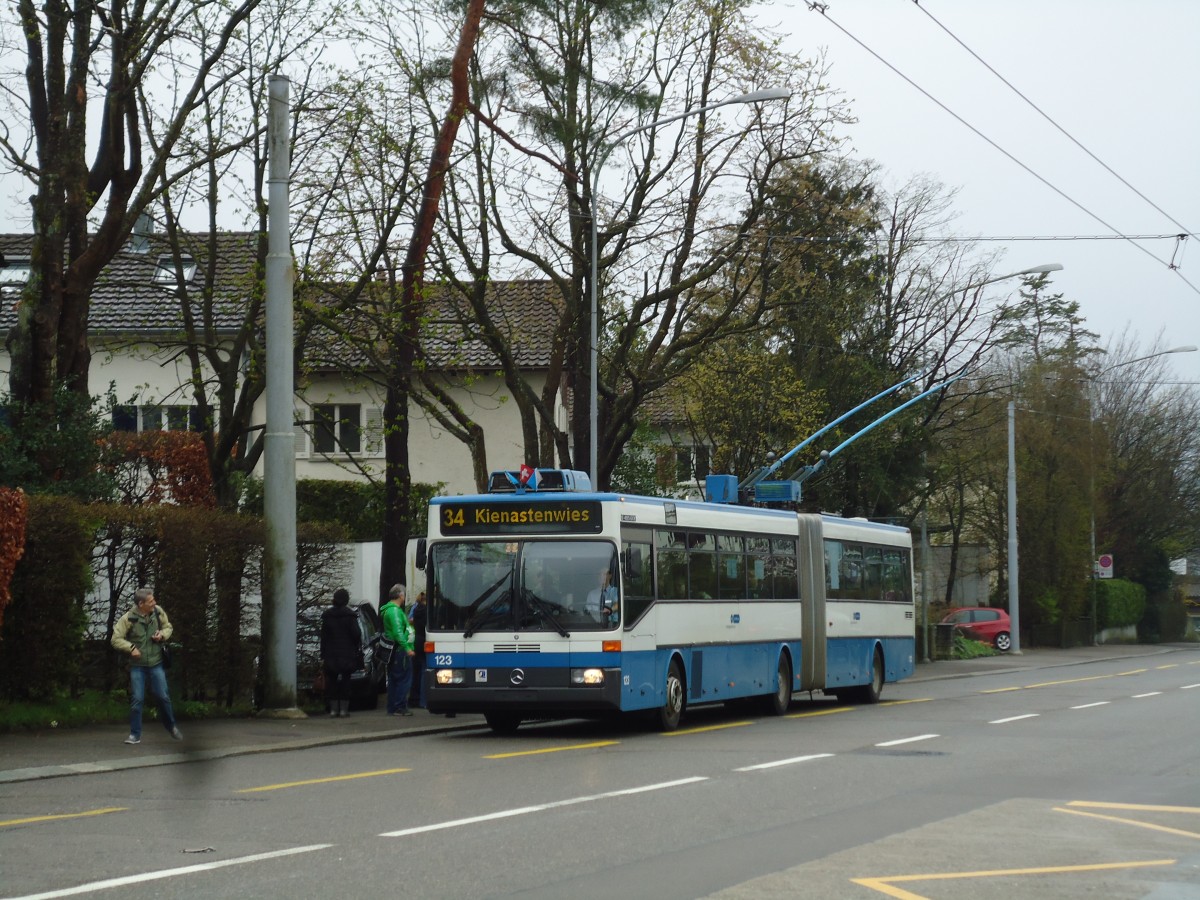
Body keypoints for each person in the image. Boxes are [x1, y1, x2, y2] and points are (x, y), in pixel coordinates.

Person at [111, 587, 183, 745]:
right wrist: (131, 648)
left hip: (156, 663)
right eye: (151, 601)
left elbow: (168, 627)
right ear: (141, 603)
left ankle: (171, 727)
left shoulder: (157, 612)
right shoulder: (128, 618)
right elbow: (115, 639)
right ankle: (135, 734)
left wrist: (162, 635)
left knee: (163, 696)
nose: (154, 603)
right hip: (138, 665)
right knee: (137, 699)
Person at [320, 588, 361, 717]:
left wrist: (323, 654)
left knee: (331, 681)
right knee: (346, 681)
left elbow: (324, 637)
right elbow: (356, 634)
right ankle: (344, 709)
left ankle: (333, 709)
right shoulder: (350, 616)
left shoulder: (327, 616)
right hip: (347, 654)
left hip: (331, 654)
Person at [380, 584, 416, 716]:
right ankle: (400, 706)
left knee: (395, 678)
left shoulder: (390, 610)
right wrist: (407, 648)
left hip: (395, 650)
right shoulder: (394, 611)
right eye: (404, 595)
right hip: (400, 649)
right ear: (401, 595)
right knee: (403, 679)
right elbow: (398, 632)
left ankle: (393, 707)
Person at [408, 591, 428, 709]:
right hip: (424, 641)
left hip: (416, 641)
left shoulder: (416, 609)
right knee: (425, 671)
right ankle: (424, 700)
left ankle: (413, 699)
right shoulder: (428, 612)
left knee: (415, 671)